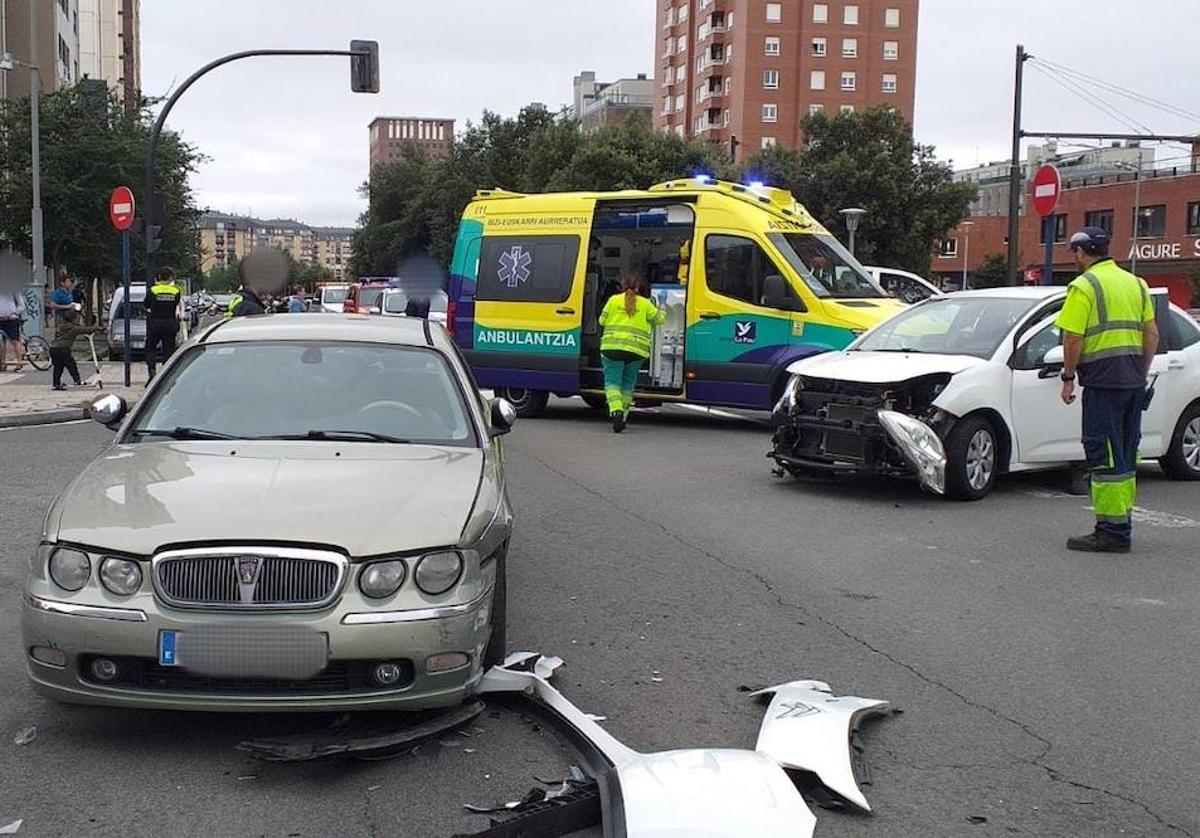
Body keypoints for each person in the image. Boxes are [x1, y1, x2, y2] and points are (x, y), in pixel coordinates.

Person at [1054, 226, 1158, 554]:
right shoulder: (1136, 284)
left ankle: (1112, 532)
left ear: (1083, 252)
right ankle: (1121, 522)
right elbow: (1151, 334)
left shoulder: (1084, 286)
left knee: (1104, 454)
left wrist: (1068, 377)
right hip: (1132, 382)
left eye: (1076, 252)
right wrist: (1139, 371)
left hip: (1102, 383)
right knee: (1126, 454)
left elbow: (1073, 337)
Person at [598, 274, 665, 433]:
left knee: (612, 383)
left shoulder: (613, 300)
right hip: (636, 351)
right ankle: (624, 418)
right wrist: (661, 303)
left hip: (611, 349)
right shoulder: (645, 303)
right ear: (638, 287)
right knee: (628, 385)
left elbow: (601, 321)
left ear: (621, 287)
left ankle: (616, 411)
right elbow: (660, 319)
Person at [144, 267, 182, 382]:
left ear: (159, 277)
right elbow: (176, 304)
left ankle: (152, 372)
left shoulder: (153, 290)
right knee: (168, 350)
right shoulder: (176, 291)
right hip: (170, 322)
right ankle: (165, 375)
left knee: (150, 348)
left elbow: (146, 305)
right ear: (170, 278)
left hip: (155, 322)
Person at [49, 307, 99, 390]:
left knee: (58, 367)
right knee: (72, 365)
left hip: (53, 348)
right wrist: (97, 328)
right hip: (63, 349)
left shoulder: (60, 326)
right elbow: (86, 330)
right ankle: (77, 380)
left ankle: (56, 383)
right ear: (74, 319)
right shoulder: (73, 328)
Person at [0, 290, 26, 371]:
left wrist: (15, 313)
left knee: (14, 340)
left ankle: (19, 362)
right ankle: (2, 363)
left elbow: (22, 305)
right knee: (1, 342)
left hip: (11, 319)